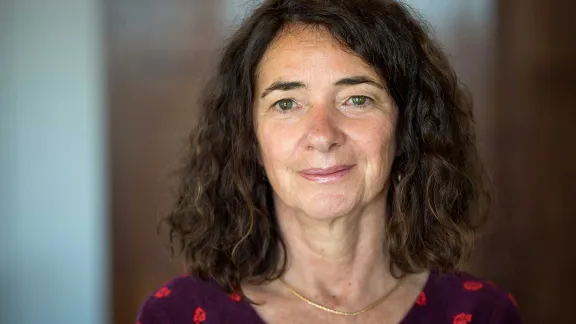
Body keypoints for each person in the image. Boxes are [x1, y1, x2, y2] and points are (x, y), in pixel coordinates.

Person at [136, 0, 523, 323]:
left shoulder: (484, 313)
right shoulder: (176, 314)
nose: (322, 135)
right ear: (249, 138)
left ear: (407, 127)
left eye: (357, 99)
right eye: (286, 103)